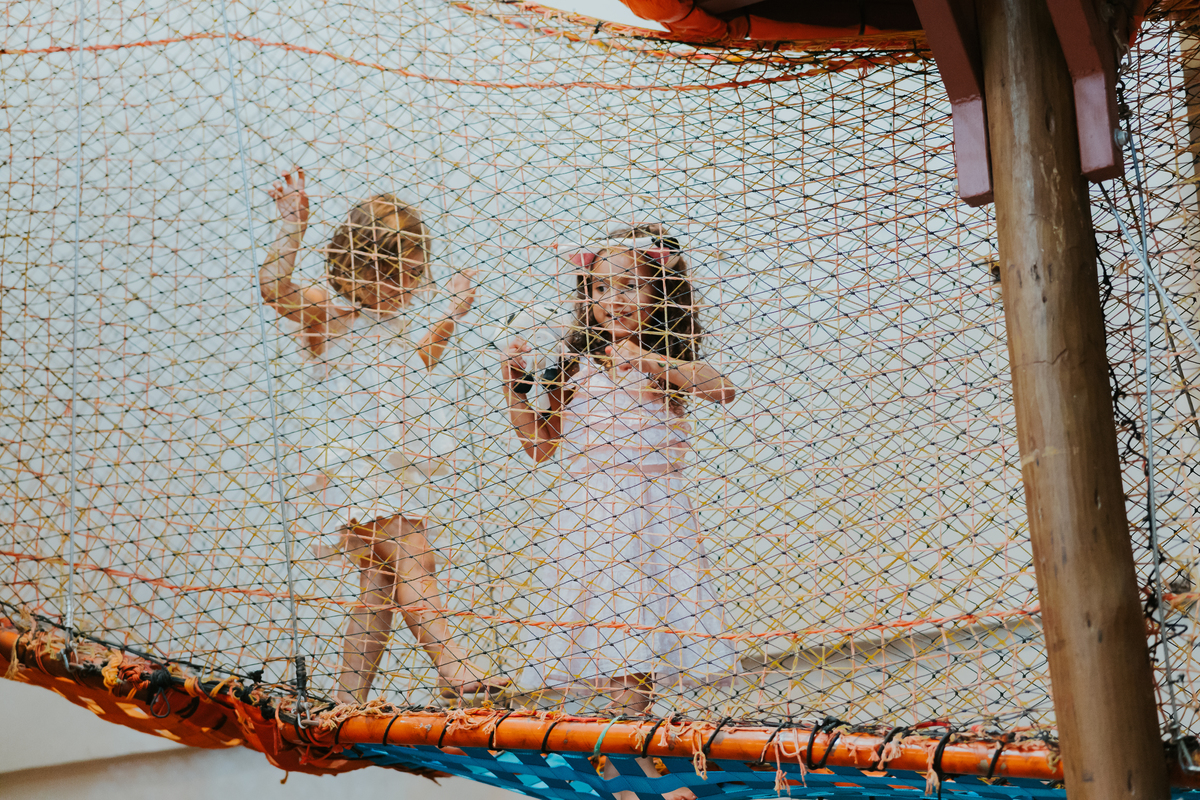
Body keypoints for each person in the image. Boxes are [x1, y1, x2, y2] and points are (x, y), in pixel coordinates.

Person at [500, 224, 737, 800]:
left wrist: (651, 362)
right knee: (608, 633)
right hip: (592, 513)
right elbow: (539, 446)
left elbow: (722, 390)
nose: (615, 301)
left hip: (655, 511)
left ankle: (635, 756)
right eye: (601, 288)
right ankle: (621, 763)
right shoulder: (573, 365)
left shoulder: (669, 358)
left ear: (660, 294)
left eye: (631, 286)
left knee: (645, 630)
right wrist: (513, 389)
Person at [261, 167, 506, 702]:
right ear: (361, 267)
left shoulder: (389, 323)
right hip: (359, 470)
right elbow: (274, 288)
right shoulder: (333, 314)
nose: (409, 287)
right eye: (399, 275)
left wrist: (449, 316)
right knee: (417, 560)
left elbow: (414, 365)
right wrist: (292, 229)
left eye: (416, 275)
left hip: (391, 468)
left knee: (378, 587)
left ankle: (347, 699)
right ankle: (458, 673)